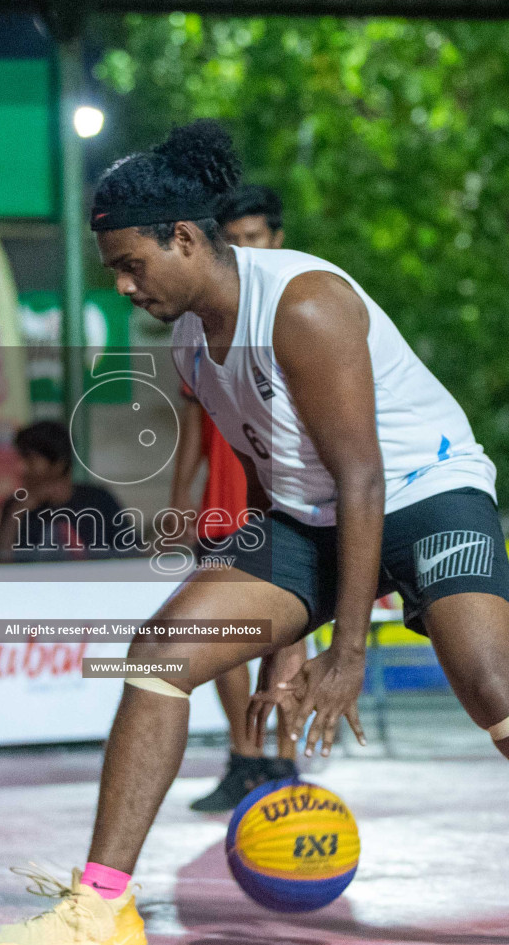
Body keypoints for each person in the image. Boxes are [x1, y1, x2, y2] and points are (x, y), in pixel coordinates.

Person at [0, 122, 509, 945]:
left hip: (425, 494)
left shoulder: (304, 306)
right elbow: (274, 484)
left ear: (187, 239)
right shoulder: (192, 346)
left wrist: (349, 650)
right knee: (158, 655)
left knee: (495, 687)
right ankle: (102, 909)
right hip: (312, 515)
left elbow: (363, 480)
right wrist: (282, 641)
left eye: (132, 264)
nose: (124, 286)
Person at [176, 183, 304, 813]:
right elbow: (192, 432)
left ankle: (284, 762)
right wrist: (181, 501)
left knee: (287, 634)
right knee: (223, 629)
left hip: (290, 496)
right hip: (223, 500)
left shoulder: (302, 310)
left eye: (256, 237)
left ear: (276, 240)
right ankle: (244, 756)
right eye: (236, 240)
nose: (247, 249)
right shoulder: (202, 322)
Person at [0, 421, 138, 562]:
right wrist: (16, 515)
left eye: (30, 460)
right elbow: (0, 566)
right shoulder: (15, 506)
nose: (21, 468)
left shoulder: (99, 501)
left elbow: (132, 556)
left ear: (58, 464)